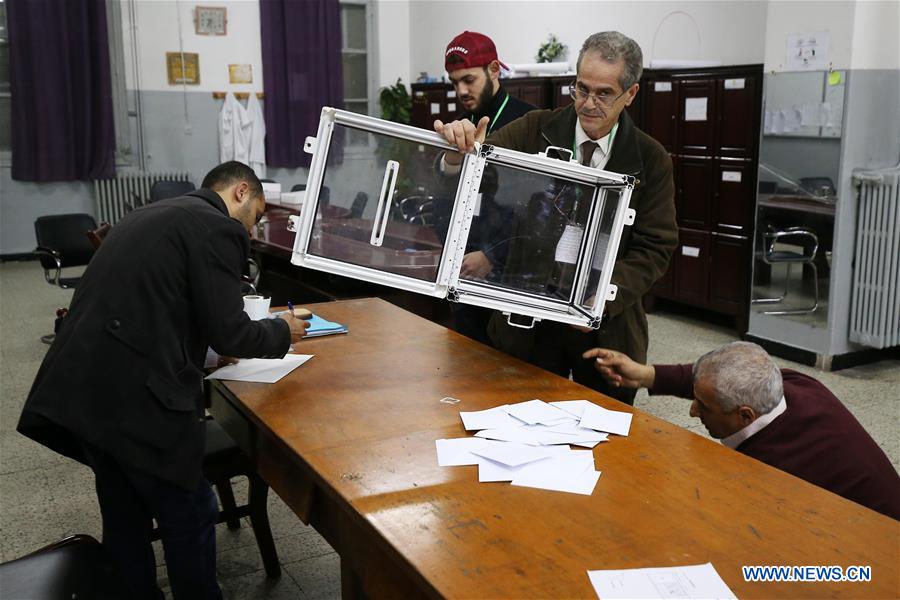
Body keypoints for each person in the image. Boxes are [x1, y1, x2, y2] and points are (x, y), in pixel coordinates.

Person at [18, 161, 310, 598]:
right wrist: (283, 330)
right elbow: (232, 330)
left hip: (82, 387)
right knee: (191, 510)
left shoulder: (156, 213)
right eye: (257, 215)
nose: (253, 229)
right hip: (134, 396)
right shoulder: (218, 227)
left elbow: (159, 299)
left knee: (124, 514)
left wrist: (209, 343)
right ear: (240, 192)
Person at [435, 31, 677, 404]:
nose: (588, 104)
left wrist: (602, 299)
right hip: (529, 321)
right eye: (581, 89)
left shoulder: (651, 158)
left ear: (630, 94)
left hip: (602, 329)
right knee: (513, 423)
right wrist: (458, 153)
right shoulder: (535, 129)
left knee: (602, 441)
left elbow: (656, 246)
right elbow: (477, 172)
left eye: (604, 93)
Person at [584, 341, 900, 520]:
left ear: (745, 415)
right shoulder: (787, 382)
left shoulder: (773, 468)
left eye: (703, 406)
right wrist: (645, 374)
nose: (693, 410)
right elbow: (709, 380)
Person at [441, 31, 536, 344]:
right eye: (454, 83)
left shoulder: (527, 121)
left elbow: (534, 205)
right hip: (464, 267)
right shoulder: (460, 124)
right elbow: (448, 194)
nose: (461, 90)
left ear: (494, 70)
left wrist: (493, 255)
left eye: (468, 79)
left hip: (510, 271)